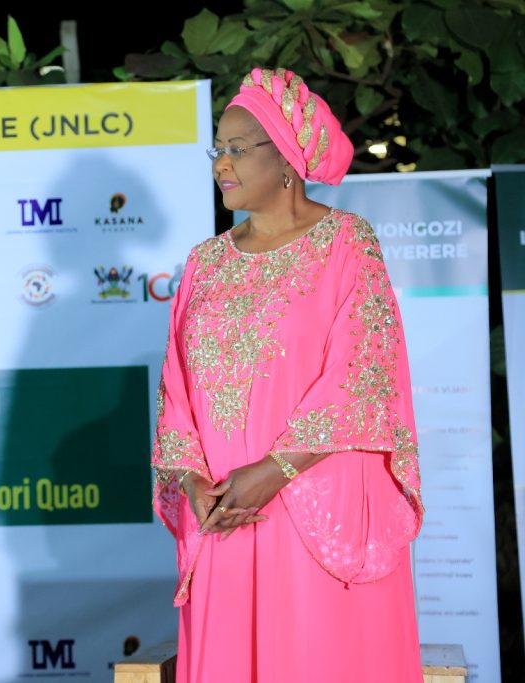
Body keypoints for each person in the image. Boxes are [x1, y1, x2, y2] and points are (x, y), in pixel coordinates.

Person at [151, 67, 423, 682]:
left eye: (238, 148)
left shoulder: (346, 243)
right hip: (224, 513)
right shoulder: (204, 263)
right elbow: (175, 392)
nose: (222, 163)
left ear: (288, 158)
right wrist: (194, 483)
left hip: (311, 508)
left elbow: (363, 374)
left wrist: (275, 471)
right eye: (217, 149)